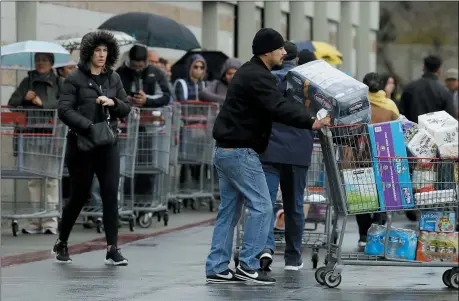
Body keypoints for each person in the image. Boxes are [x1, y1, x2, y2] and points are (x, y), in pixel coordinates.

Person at [205, 28, 330, 285]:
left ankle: (217, 266)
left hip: (226, 150)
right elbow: (278, 106)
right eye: (280, 48)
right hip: (240, 152)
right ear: (268, 51)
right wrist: (311, 122)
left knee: (229, 212)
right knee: (262, 206)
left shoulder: (249, 73)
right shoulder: (258, 76)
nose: (285, 52)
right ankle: (248, 265)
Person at [54, 30, 131, 265]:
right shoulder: (75, 78)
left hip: (107, 144)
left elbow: (126, 107)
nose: (101, 55)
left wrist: (113, 102)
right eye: (97, 50)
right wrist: (88, 126)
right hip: (82, 144)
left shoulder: (113, 78)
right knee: (79, 194)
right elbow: (64, 110)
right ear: (88, 52)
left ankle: (112, 248)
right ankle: (62, 241)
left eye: (105, 50)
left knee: (110, 193)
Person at [258, 44, 316, 272]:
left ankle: (266, 248)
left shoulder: (266, 80)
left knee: (266, 203)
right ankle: (293, 258)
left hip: (270, 148)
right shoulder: (308, 84)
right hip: (299, 151)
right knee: (294, 205)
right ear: (298, 58)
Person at [8, 52, 63, 235]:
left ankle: (50, 220)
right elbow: (12, 103)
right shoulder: (27, 82)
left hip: (51, 136)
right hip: (30, 135)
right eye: (38, 60)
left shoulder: (59, 82)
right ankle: (35, 220)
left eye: (45, 60)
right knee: (33, 179)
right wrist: (25, 98)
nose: (41, 63)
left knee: (50, 180)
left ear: (51, 63)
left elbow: (65, 104)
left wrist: (43, 103)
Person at [355, 72, 399, 247]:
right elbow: (398, 130)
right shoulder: (390, 106)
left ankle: (363, 236)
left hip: (360, 157)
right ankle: (378, 232)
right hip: (384, 159)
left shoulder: (358, 105)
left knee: (361, 197)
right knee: (383, 195)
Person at [399, 55, 455, 123]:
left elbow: (401, 115)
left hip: (414, 131)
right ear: (438, 70)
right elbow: (451, 119)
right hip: (436, 132)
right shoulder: (444, 91)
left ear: (423, 68)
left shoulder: (410, 88)